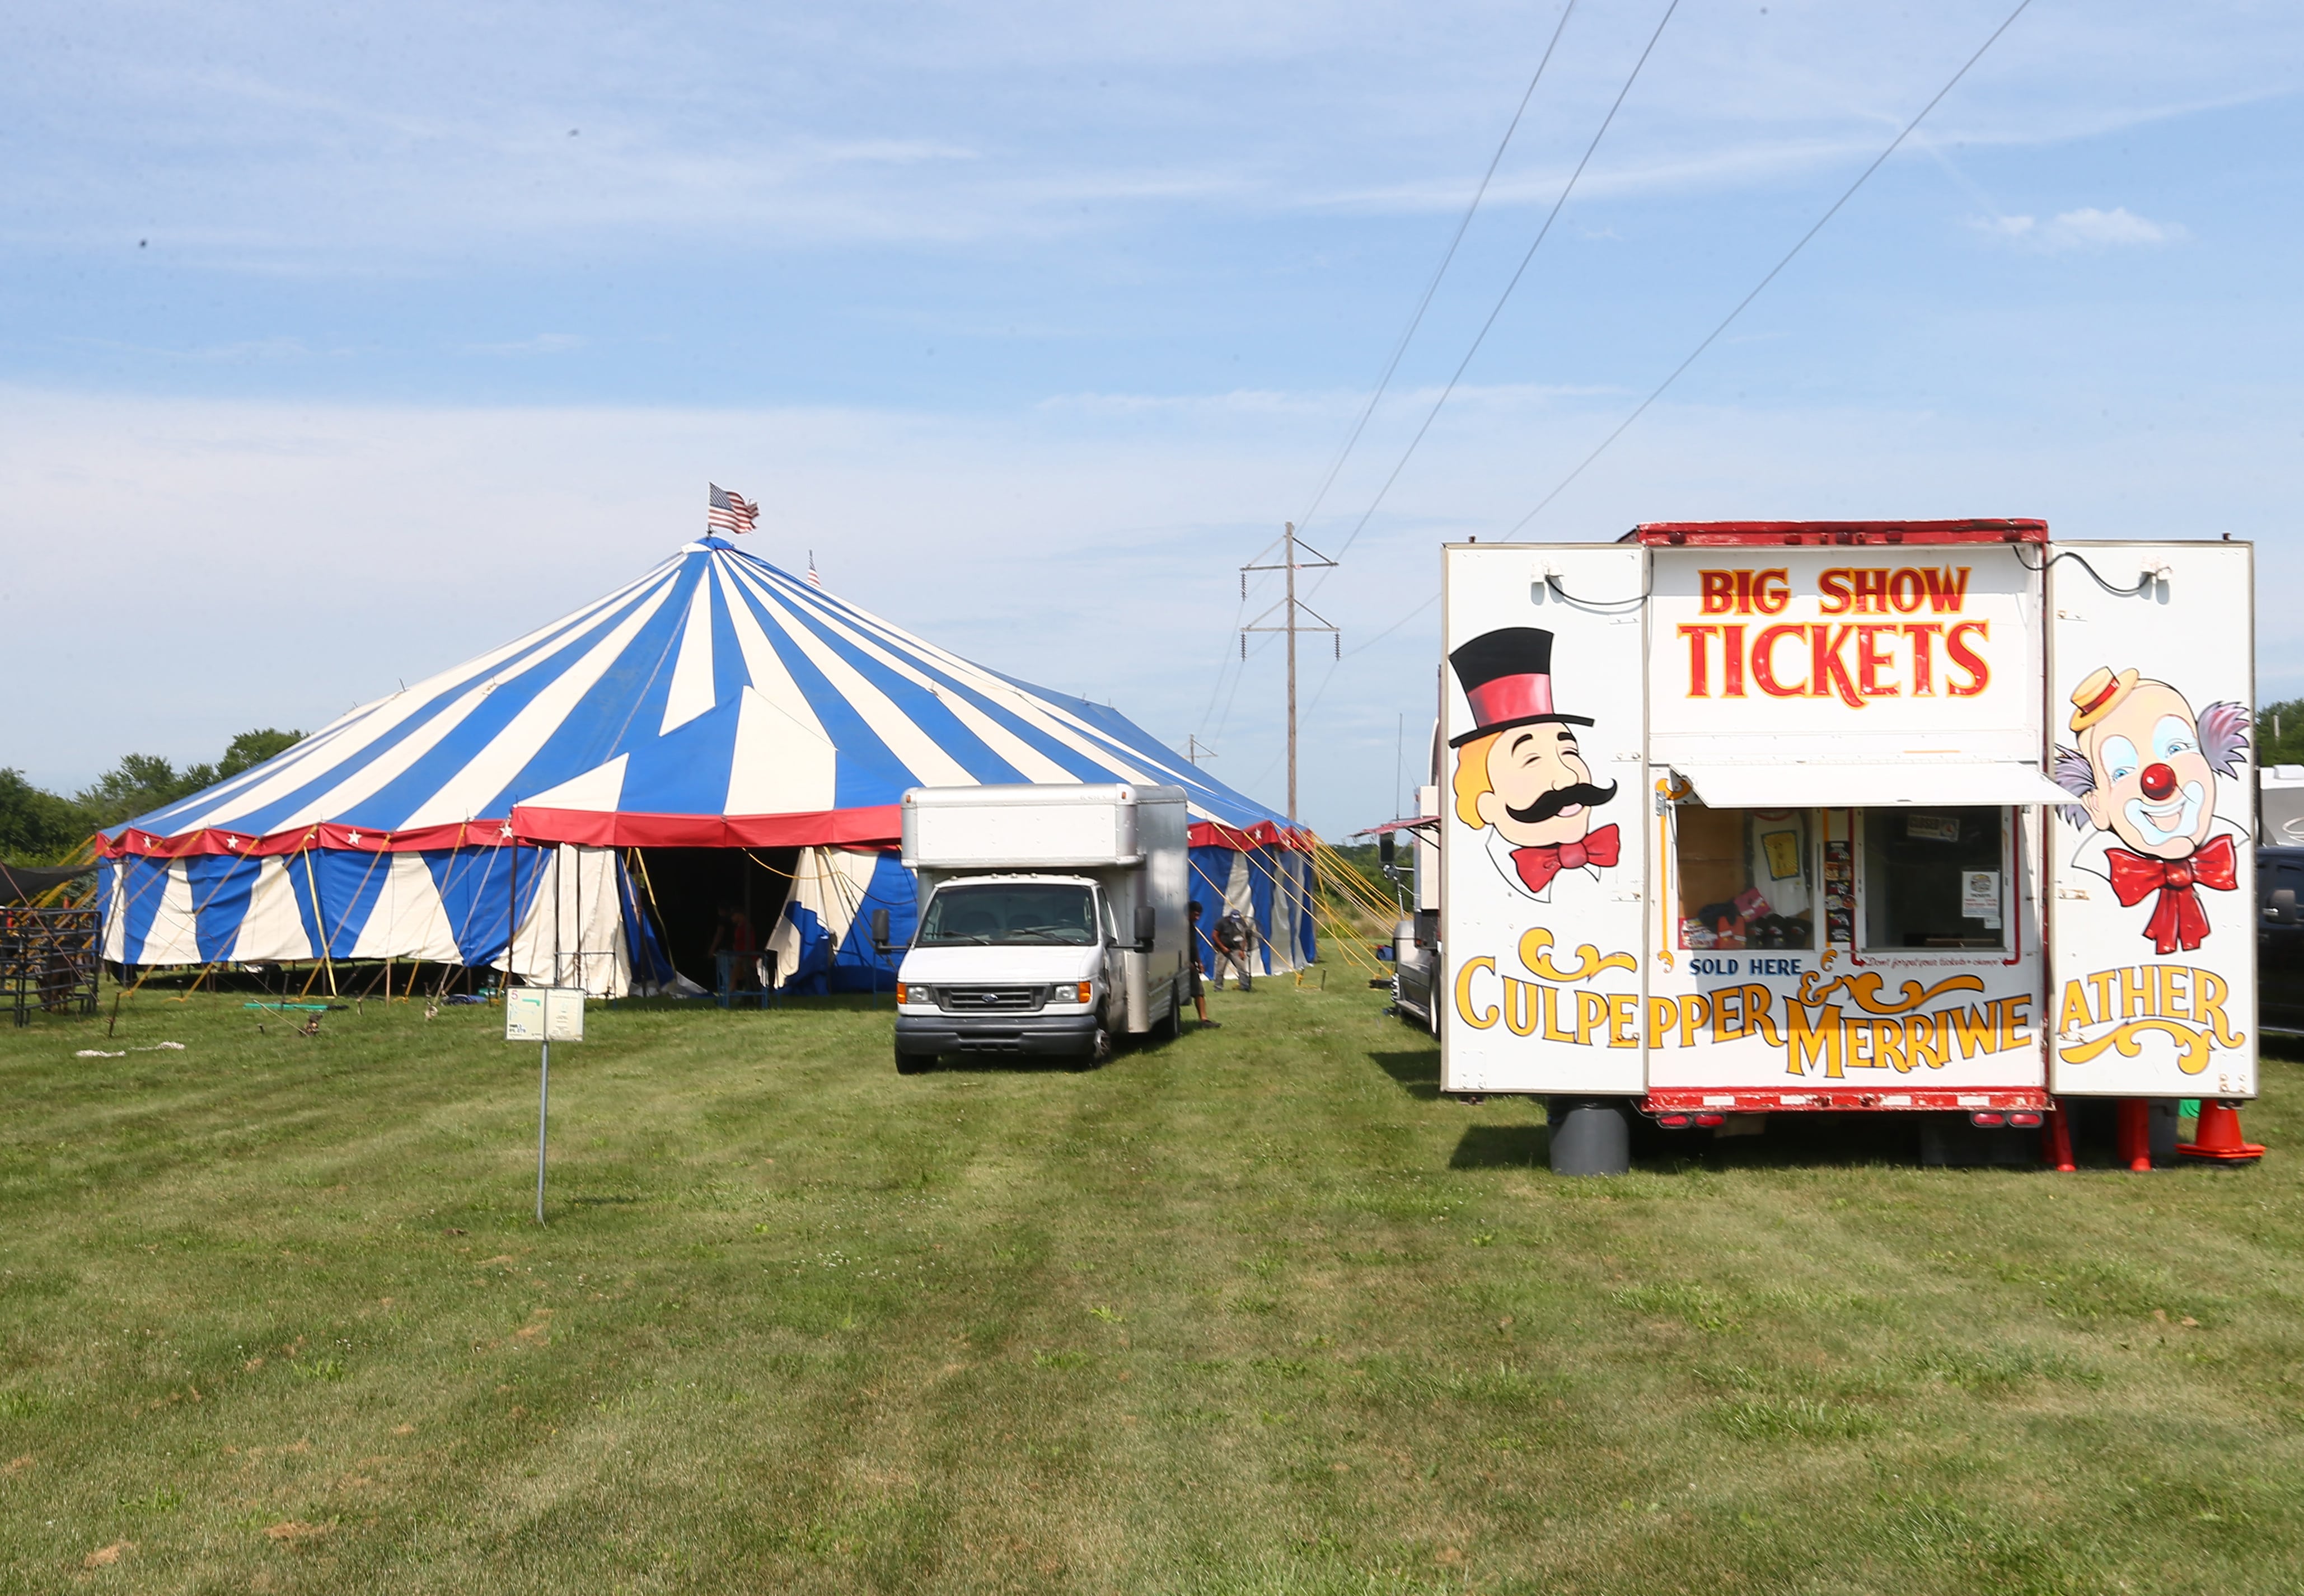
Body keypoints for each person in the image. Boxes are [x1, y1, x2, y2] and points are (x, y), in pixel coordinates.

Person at [1210, 903, 1256, 992]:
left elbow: (1244, 936)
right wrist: (1223, 948)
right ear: (1229, 918)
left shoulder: (1242, 922)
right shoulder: (1221, 922)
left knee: (1242, 967)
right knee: (1220, 970)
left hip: (1236, 948)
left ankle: (1245, 986)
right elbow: (1214, 936)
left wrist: (1242, 950)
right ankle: (1218, 988)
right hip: (1223, 949)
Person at [1186, 901, 1214, 1026]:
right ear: (1189, 912)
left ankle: (1204, 1019)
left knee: (1199, 991)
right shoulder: (1181, 926)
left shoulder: (1191, 926)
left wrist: (1199, 962)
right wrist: (1186, 962)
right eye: (1195, 915)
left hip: (1192, 964)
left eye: (1199, 916)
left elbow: (1194, 947)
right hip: (1183, 964)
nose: (1198, 918)